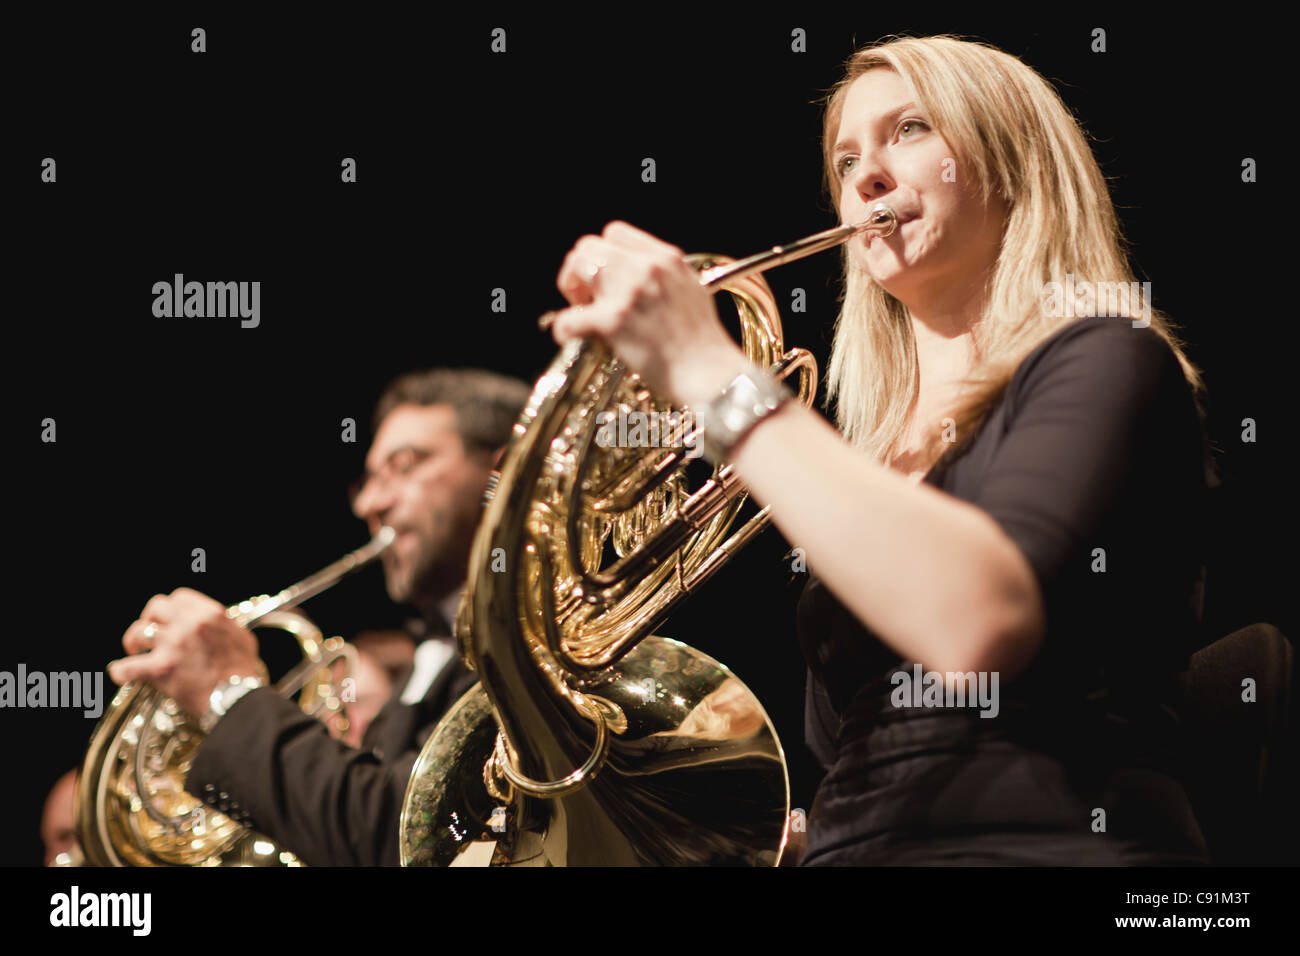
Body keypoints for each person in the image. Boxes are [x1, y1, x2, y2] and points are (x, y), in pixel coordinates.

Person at [546, 35, 1213, 865]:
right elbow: (862, 757)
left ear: (1010, 161)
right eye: (844, 159)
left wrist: (705, 367)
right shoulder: (865, 467)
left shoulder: (1110, 356)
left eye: (910, 130)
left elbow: (975, 617)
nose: (865, 176)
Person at [108, 368, 532, 866]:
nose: (372, 504)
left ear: (504, 474)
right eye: (368, 480)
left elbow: (409, 838)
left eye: (405, 465)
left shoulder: (534, 640)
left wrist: (228, 693)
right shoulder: (428, 656)